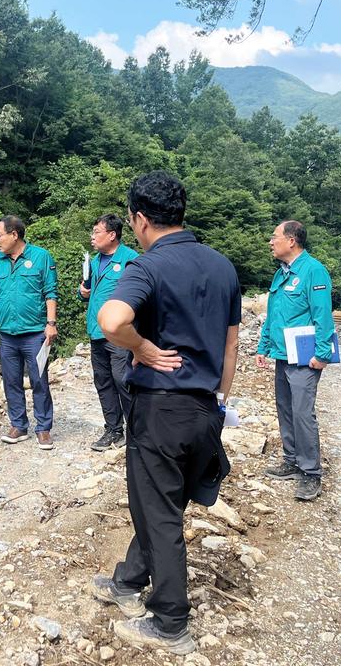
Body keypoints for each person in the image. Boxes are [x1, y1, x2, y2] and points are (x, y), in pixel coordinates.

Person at [89, 171, 241, 655]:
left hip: (160, 409)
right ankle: (129, 580)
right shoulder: (222, 266)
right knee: (162, 504)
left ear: (138, 219)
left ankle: (171, 620)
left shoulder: (147, 266)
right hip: (206, 407)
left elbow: (111, 320)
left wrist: (145, 349)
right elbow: (231, 342)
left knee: (160, 513)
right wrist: (219, 399)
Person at [255, 220, 336, 501]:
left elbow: (323, 315)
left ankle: (311, 473)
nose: (270, 241)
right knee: (286, 409)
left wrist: (323, 353)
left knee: (302, 412)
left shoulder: (313, 271)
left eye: (274, 236)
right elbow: (273, 314)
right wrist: (263, 346)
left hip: (304, 357)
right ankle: (291, 460)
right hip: (281, 353)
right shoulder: (281, 274)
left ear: (291, 241)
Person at [0, 215, 59, 450]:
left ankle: (43, 428)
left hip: (35, 333)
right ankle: (18, 425)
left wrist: (51, 323)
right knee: (11, 382)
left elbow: (50, 292)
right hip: (7, 334)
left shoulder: (41, 257)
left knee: (39, 380)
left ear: (14, 235)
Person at [78, 214, 139, 451]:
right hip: (96, 332)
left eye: (96, 232)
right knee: (102, 381)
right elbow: (88, 293)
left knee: (123, 379)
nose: (92, 237)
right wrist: (82, 293)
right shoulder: (93, 262)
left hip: (120, 334)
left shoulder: (131, 260)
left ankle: (136, 430)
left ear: (112, 235)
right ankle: (113, 430)